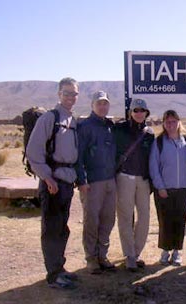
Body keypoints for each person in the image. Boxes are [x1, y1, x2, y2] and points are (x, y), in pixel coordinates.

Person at [26, 77, 79, 289]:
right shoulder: (50, 118)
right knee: (51, 228)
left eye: (74, 94)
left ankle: (59, 267)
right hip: (53, 182)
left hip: (67, 182)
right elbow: (33, 152)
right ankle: (53, 275)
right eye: (67, 93)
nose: (70, 97)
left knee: (62, 228)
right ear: (59, 94)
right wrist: (47, 177)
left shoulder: (71, 120)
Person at [76, 91, 117, 274]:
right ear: (92, 105)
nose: (102, 106)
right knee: (91, 220)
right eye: (99, 103)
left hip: (110, 180)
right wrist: (82, 180)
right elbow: (78, 156)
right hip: (92, 182)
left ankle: (102, 255)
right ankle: (91, 258)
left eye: (105, 103)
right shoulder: (85, 126)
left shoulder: (109, 125)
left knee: (108, 219)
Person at [114, 98, 154, 271]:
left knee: (144, 217)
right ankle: (129, 255)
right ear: (130, 112)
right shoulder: (119, 129)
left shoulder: (150, 133)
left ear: (146, 113)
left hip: (143, 180)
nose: (139, 113)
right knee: (125, 216)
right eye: (136, 110)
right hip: (124, 178)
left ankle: (136, 252)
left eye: (142, 110)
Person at [149, 110, 186, 266]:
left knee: (180, 220)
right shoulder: (159, 142)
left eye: (174, 121)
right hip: (164, 189)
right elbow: (154, 166)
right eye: (168, 122)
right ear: (164, 124)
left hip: (184, 188)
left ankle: (176, 252)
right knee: (165, 220)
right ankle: (165, 251)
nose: (171, 125)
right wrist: (159, 186)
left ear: (179, 122)